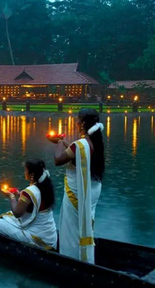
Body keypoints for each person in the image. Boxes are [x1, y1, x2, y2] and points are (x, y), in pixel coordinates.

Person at [53, 108, 105, 264]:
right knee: (84, 221)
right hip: (92, 191)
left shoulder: (80, 145)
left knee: (71, 225)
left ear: (82, 123)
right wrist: (67, 144)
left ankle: (71, 258)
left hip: (77, 193)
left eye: (77, 120)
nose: (76, 123)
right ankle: (84, 254)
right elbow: (78, 154)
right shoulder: (95, 142)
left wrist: (59, 143)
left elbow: (58, 160)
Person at [0, 159, 57, 251]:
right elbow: (34, 203)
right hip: (50, 237)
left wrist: (11, 196)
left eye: (25, 170)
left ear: (32, 175)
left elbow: (17, 213)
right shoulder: (45, 187)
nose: (24, 172)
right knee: (9, 216)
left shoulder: (30, 191)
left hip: (37, 238)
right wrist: (18, 194)